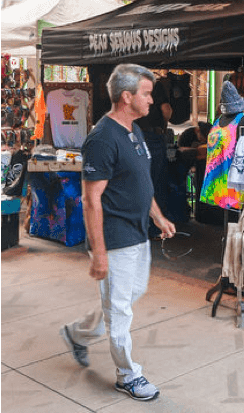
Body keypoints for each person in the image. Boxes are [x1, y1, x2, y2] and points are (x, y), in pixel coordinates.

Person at [60, 64, 176, 401]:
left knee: (125, 298)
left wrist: (158, 216)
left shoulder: (133, 131)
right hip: (115, 237)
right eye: (146, 93)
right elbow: (90, 199)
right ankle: (128, 374)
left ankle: (77, 335)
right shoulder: (102, 138)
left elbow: (140, 182)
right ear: (127, 97)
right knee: (120, 310)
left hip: (138, 232)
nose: (152, 100)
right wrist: (98, 252)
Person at [134, 71, 173, 239]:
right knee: (156, 182)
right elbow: (167, 110)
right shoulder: (156, 88)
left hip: (135, 136)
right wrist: (164, 123)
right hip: (153, 138)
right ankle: (156, 229)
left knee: (138, 180)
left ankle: (139, 227)